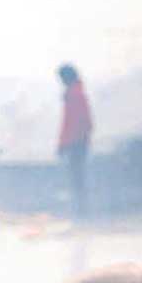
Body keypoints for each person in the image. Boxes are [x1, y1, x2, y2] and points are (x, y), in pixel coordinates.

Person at [56, 64, 92, 216]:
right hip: (80, 140)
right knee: (78, 176)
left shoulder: (73, 94)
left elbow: (70, 122)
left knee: (76, 177)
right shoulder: (78, 92)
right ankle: (80, 209)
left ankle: (80, 210)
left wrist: (63, 143)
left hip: (76, 142)